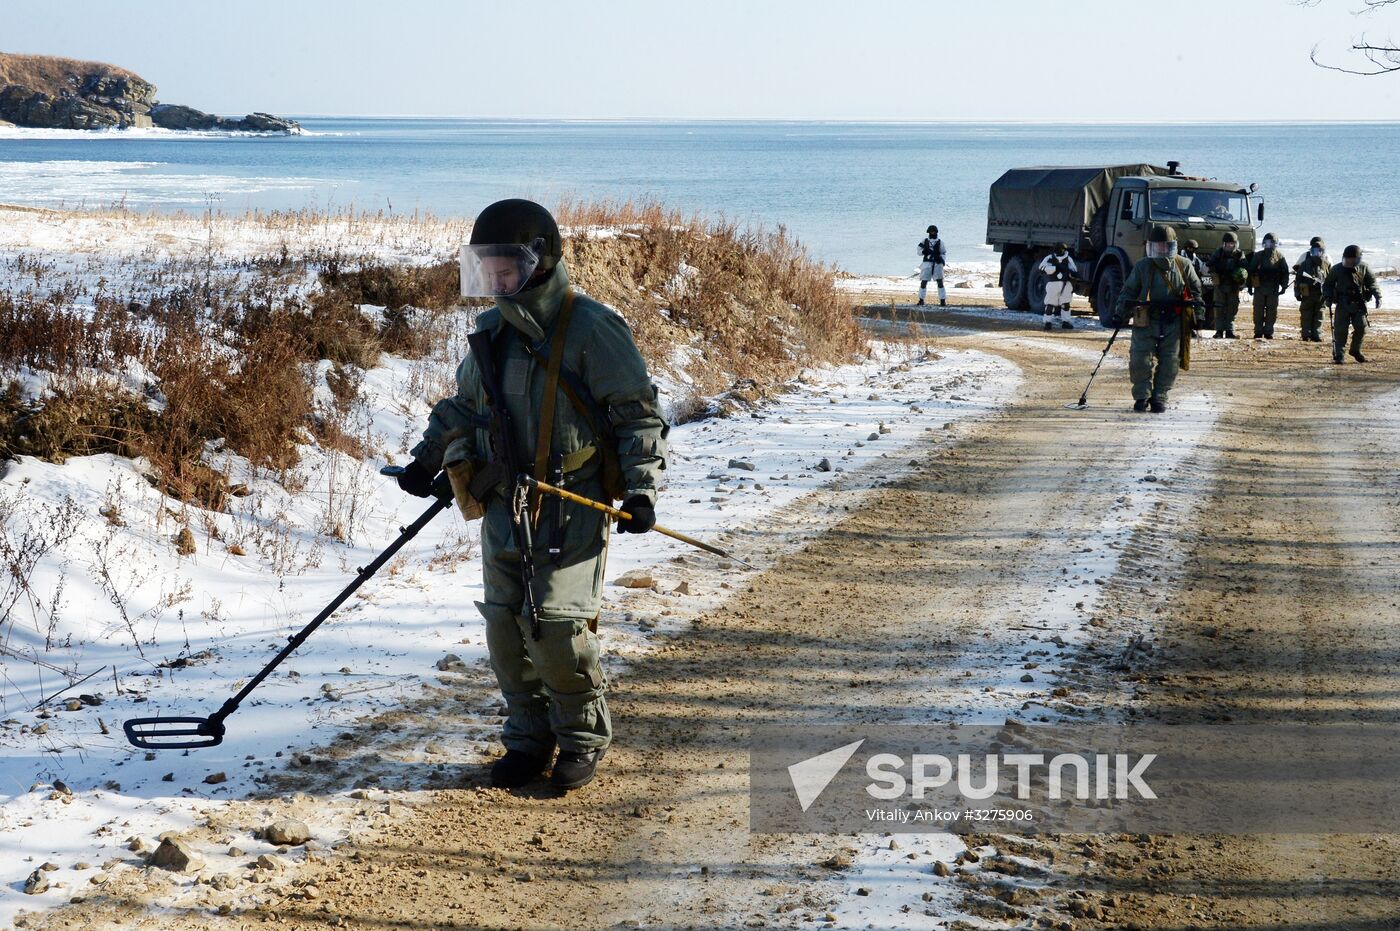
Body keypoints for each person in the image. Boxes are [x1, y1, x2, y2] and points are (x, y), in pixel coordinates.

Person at [398, 199, 670, 790]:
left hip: (572, 504)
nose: (497, 280)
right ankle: (527, 739)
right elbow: (465, 407)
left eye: (509, 266)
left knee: (554, 629)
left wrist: (642, 492)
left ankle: (580, 739)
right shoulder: (492, 332)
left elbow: (637, 416)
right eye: (487, 267)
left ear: (542, 262)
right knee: (505, 628)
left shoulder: (594, 329)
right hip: (501, 502)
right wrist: (425, 462)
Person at [1114, 225, 1203, 414]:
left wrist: (1199, 315)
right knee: (1140, 360)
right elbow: (1128, 291)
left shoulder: (1183, 265)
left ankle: (1160, 397)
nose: (1162, 250)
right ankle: (1141, 397)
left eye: (1166, 246)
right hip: (1145, 318)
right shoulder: (1143, 266)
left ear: (1173, 246)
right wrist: (1119, 313)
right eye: (1158, 246)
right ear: (1151, 246)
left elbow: (1196, 291)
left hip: (1174, 320)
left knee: (1170, 361)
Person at [1323, 244, 1381, 364]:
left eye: (1353, 260)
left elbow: (1372, 283)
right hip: (1342, 303)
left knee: (1362, 328)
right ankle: (1339, 354)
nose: (1350, 262)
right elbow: (1328, 284)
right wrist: (1328, 297)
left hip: (1359, 304)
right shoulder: (1337, 269)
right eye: (1348, 259)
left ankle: (1355, 350)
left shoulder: (1364, 268)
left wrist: (1377, 296)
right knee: (1340, 330)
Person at [1247, 233, 1290, 339]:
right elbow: (1251, 271)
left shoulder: (1280, 256)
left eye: (1271, 243)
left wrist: (1284, 286)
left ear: (1275, 244)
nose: (1269, 246)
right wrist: (1249, 286)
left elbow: (1285, 272)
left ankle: (1268, 331)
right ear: (1263, 244)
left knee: (1272, 311)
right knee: (1258, 310)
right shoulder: (1258, 255)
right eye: (1267, 243)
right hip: (1259, 288)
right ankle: (1258, 331)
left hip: (1273, 288)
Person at [1207, 232, 1249, 339]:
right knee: (1219, 308)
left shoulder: (1239, 254)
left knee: (1232, 308)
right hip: (1220, 284)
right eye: (1228, 244)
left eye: (1232, 244)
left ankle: (1230, 331)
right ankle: (1219, 331)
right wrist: (1215, 270)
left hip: (1233, 286)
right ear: (1224, 244)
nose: (1230, 246)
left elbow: (1245, 268)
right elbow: (1209, 264)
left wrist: (1240, 275)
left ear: (1235, 244)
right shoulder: (1218, 252)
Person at [1293, 237, 1330, 343]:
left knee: (1320, 314)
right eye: (1315, 251)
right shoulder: (1305, 263)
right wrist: (1297, 293)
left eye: (1320, 251)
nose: (1317, 253)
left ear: (1323, 252)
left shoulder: (1326, 264)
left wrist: (1330, 293)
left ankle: (1317, 334)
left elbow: (1331, 279)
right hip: (1307, 293)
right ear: (1311, 251)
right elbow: (1298, 279)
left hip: (1321, 295)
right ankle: (1306, 334)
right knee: (1306, 314)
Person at [1037, 243, 1076, 331]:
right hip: (1053, 283)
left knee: (1065, 304)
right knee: (1050, 304)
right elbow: (1041, 268)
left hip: (1065, 283)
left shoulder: (1068, 259)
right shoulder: (1050, 258)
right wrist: (1054, 269)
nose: (1059, 251)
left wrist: (1069, 273)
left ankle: (1065, 322)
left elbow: (1074, 270)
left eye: (1061, 249)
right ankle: (1048, 323)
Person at [1182, 239, 1213, 331]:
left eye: (1193, 249)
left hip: (1194, 287)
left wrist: (1209, 264)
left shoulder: (1197, 260)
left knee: (1199, 305)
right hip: (1183, 287)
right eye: (1189, 248)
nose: (1191, 250)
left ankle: (1197, 326)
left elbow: (1203, 270)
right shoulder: (1181, 259)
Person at [917, 225, 947, 307]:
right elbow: (918, 251)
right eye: (931, 232)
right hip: (927, 263)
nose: (932, 233)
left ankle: (942, 300)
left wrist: (940, 260)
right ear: (929, 232)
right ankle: (921, 300)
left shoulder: (940, 242)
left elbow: (943, 253)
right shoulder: (925, 241)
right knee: (924, 282)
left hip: (937, 264)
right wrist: (924, 252)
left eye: (933, 232)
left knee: (940, 282)